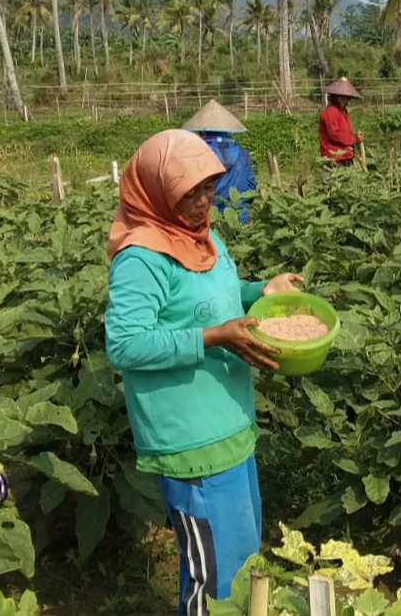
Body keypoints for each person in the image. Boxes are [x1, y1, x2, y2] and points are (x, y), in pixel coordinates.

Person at [104, 129, 304, 616]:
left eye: (208, 188)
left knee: (238, 570)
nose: (201, 202)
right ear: (157, 191)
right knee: (212, 581)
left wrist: (262, 291)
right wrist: (213, 338)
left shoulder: (203, 236)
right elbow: (124, 344)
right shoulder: (142, 257)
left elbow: (215, 301)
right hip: (190, 443)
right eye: (188, 192)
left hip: (231, 428)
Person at [183, 99, 258, 223]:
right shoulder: (242, 154)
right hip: (238, 220)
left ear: (202, 131)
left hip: (209, 221)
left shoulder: (198, 154)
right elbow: (251, 187)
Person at [318, 77, 363, 166]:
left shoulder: (343, 112)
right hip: (334, 158)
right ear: (334, 97)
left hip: (345, 156)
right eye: (341, 97)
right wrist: (353, 139)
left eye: (346, 98)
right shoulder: (330, 111)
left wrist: (355, 138)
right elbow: (335, 134)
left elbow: (346, 132)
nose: (344, 100)